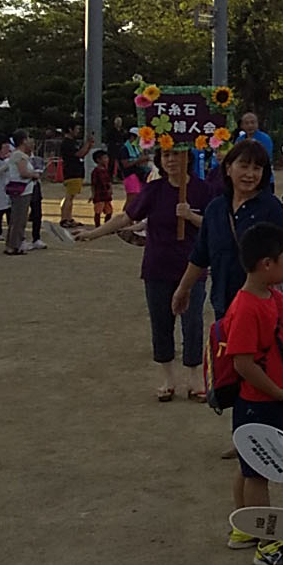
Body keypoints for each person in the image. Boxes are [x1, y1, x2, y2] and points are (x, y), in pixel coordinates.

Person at [78, 142, 216, 401]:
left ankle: (194, 378)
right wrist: (92, 234)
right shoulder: (154, 190)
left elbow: (216, 224)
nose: (171, 160)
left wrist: (191, 217)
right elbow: (126, 218)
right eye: (166, 155)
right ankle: (168, 378)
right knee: (161, 323)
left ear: (187, 157)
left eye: (176, 154)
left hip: (192, 268)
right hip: (157, 267)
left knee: (193, 323)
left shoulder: (203, 190)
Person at [218, 221, 283, 565]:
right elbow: (242, 363)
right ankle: (267, 544)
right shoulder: (245, 307)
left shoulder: (278, 298)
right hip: (258, 401)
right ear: (267, 264)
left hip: (278, 397)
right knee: (258, 471)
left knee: (250, 463)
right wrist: (278, 391)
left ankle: (242, 528)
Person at [171, 140, 283, 331]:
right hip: (223, 301)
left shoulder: (272, 209)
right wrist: (183, 289)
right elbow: (200, 255)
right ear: (228, 168)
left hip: (261, 305)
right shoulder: (216, 208)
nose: (250, 174)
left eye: (257, 168)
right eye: (243, 166)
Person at [58, 127, 88, 228]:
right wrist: (87, 144)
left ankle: (68, 218)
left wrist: (88, 146)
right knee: (69, 197)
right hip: (72, 172)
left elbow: (81, 154)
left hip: (76, 171)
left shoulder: (72, 142)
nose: (78, 131)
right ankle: (65, 219)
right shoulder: (67, 143)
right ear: (70, 129)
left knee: (70, 196)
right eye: (76, 129)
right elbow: (79, 154)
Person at [89, 148, 115, 226]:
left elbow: (109, 181)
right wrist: (93, 194)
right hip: (99, 194)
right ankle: (98, 226)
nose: (107, 160)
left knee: (109, 211)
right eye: (105, 158)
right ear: (98, 160)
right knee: (98, 211)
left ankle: (107, 225)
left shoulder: (106, 170)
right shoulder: (96, 171)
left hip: (106, 194)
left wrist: (110, 188)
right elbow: (93, 184)